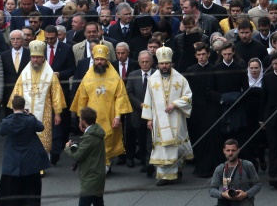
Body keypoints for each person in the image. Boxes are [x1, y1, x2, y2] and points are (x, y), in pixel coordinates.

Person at [70, 44, 132, 170]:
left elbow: (120, 97)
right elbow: (82, 98)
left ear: (106, 60)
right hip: (92, 117)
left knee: (107, 140)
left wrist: (118, 116)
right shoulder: (88, 76)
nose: (99, 62)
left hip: (109, 115)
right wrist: (81, 119)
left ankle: (106, 164)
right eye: (97, 59)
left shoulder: (114, 77)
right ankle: (95, 164)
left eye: (102, 60)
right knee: (93, 141)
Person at [0, 94, 48, 206]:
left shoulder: (7, 122)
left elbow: (1, 132)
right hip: (30, 160)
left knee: (13, 190)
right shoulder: (30, 120)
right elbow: (41, 127)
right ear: (23, 106)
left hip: (13, 161)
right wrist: (31, 115)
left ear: (12, 107)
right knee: (31, 188)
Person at [7, 40, 65, 162]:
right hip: (25, 111)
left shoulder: (50, 75)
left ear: (43, 58)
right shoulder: (24, 74)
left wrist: (58, 113)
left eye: (38, 57)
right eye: (33, 57)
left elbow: (56, 94)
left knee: (43, 136)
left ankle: (42, 162)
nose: (35, 60)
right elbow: (17, 92)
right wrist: (16, 110)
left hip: (45, 111)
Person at [143, 46, 193, 184]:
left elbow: (188, 96)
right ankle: (164, 176)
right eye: (162, 64)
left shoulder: (181, 79)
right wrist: (148, 118)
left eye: (166, 63)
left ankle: (177, 170)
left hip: (176, 118)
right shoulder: (152, 80)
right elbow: (148, 100)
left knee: (175, 146)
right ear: (158, 64)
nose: (164, 66)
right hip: (159, 120)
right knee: (162, 147)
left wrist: (175, 104)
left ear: (171, 64)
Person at [65, 106, 107, 206]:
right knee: (99, 205)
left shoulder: (89, 137)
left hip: (90, 177)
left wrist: (68, 147)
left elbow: (77, 155)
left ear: (83, 121)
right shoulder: (96, 133)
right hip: (98, 175)